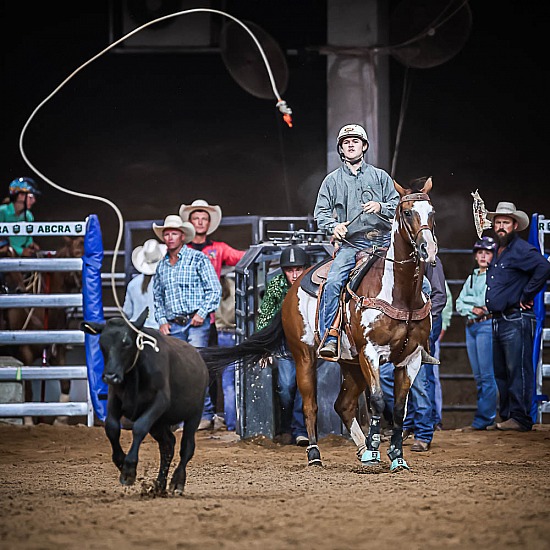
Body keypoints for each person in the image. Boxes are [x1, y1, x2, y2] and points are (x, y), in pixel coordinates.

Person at [313, 123, 399, 358]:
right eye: (346, 142)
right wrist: (334, 226)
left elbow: (398, 205)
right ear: (341, 149)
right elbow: (320, 213)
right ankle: (329, 335)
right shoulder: (332, 181)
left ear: (364, 146)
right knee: (332, 283)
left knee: (422, 285)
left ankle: (419, 337)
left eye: (355, 141)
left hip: (383, 243)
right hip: (352, 245)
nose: (351, 145)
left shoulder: (380, 176)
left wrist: (381, 206)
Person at [179, 199, 246, 430]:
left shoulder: (218, 249)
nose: (200, 222)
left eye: (204, 219)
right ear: (190, 223)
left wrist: (261, 251)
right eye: (196, 218)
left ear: (209, 224)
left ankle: (210, 414)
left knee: (211, 365)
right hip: (190, 315)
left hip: (212, 317)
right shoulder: (183, 250)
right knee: (193, 365)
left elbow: (241, 258)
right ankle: (200, 413)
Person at [152, 214, 222, 431]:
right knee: (177, 370)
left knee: (196, 366)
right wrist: (162, 320)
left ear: (182, 236)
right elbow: (157, 297)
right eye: (167, 233)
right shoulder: (162, 266)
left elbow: (214, 289)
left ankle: (205, 413)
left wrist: (201, 313)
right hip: (174, 324)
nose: (170, 237)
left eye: (174, 233)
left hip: (195, 322)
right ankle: (183, 416)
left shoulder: (197, 258)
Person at [485, 202, 550, 432]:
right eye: (498, 222)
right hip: (501, 318)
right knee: (502, 371)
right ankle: (507, 415)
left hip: (516, 317)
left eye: (506, 223)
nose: (501, 226)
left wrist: (526, 293)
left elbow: (543, 267)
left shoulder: (520, 249)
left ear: (515, 225)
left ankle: (520, 418)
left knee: (517, 369)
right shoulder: (499, 250)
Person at [257, 245, 309, 446]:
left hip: (307, 345)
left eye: (298, 269)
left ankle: (298, 429)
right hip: (285, 346)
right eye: (289, 270)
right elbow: (266, 316)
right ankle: (285, 425)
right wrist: (264, 346)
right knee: (286, 387)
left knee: (305, 386)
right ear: (283, 271)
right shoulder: (276, 286)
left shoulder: (313, 285)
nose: (294, 275)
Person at [402, 255, 447, 452]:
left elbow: (439, 295)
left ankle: (422, 433)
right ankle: (409, 423)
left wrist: (424, 321)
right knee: (398, 377)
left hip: (421, 325)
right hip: (402, 326)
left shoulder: (430, 260)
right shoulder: (400, 259)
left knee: (420, 379)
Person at [456, 236, 498, 430]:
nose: (483, 256)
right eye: (480, 252)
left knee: (487, 375)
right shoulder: (472, 277)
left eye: (487, 252)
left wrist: (472, 305)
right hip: (471, 325)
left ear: (493, 255)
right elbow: (459, 303)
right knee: (479, 375)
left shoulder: (494, 276)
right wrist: (473, 307)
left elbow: (487, 303)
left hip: (486, 325)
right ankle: (484, 418)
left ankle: (485, 418)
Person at [122, 238, 166, 329]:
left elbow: (127, 312)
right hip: (160, 331)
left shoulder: (133, 284)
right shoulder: (166, 282)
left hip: (138, 330)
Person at [0, 177, 41, 257]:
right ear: (20, 196)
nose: (34, 201)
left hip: (21, 257)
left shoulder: (28, 216)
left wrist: (30, 245)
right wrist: (21, 251)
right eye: (31, 197)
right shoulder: (2, 212)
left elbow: (28, 237)